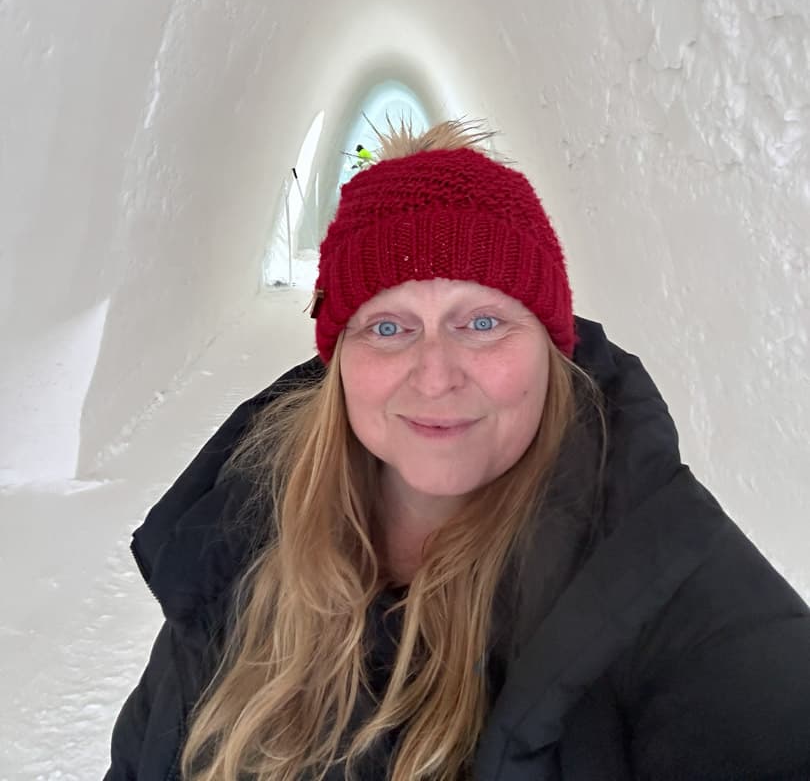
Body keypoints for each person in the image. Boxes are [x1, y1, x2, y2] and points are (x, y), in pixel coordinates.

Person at [105, 119, 810, 781]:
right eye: (387, 327)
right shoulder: (241, 544)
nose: (436, 373)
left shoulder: (674, 584)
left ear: (550, 347)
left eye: (481, 321)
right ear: (338, 362)